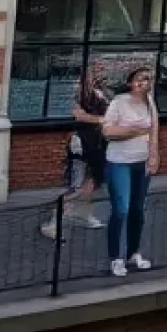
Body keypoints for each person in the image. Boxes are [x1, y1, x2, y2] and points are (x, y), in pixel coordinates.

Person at [41, 60, 110, 240]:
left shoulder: (102, 91)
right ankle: (54, 222)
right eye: (95, 70)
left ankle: (84, 214)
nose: (100, 73)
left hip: (99, 142)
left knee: (94, 180)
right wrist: (104, 120)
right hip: (82, 141)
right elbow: (79, 115)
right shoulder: (79, 92)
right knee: (78, 184)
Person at [102, 66, 158, 277]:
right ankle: (115, 257)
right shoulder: (119, 102)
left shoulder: (150, 102)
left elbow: (154, 130)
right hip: (120, 162)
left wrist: (154, 155)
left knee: (138, 210)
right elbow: (108, 131)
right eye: (140, 79)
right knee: (121, 209)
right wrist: (135, 131)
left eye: (148, 79)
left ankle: (133, 252)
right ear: (131, 83)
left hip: (141, 162)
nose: (144, 82)